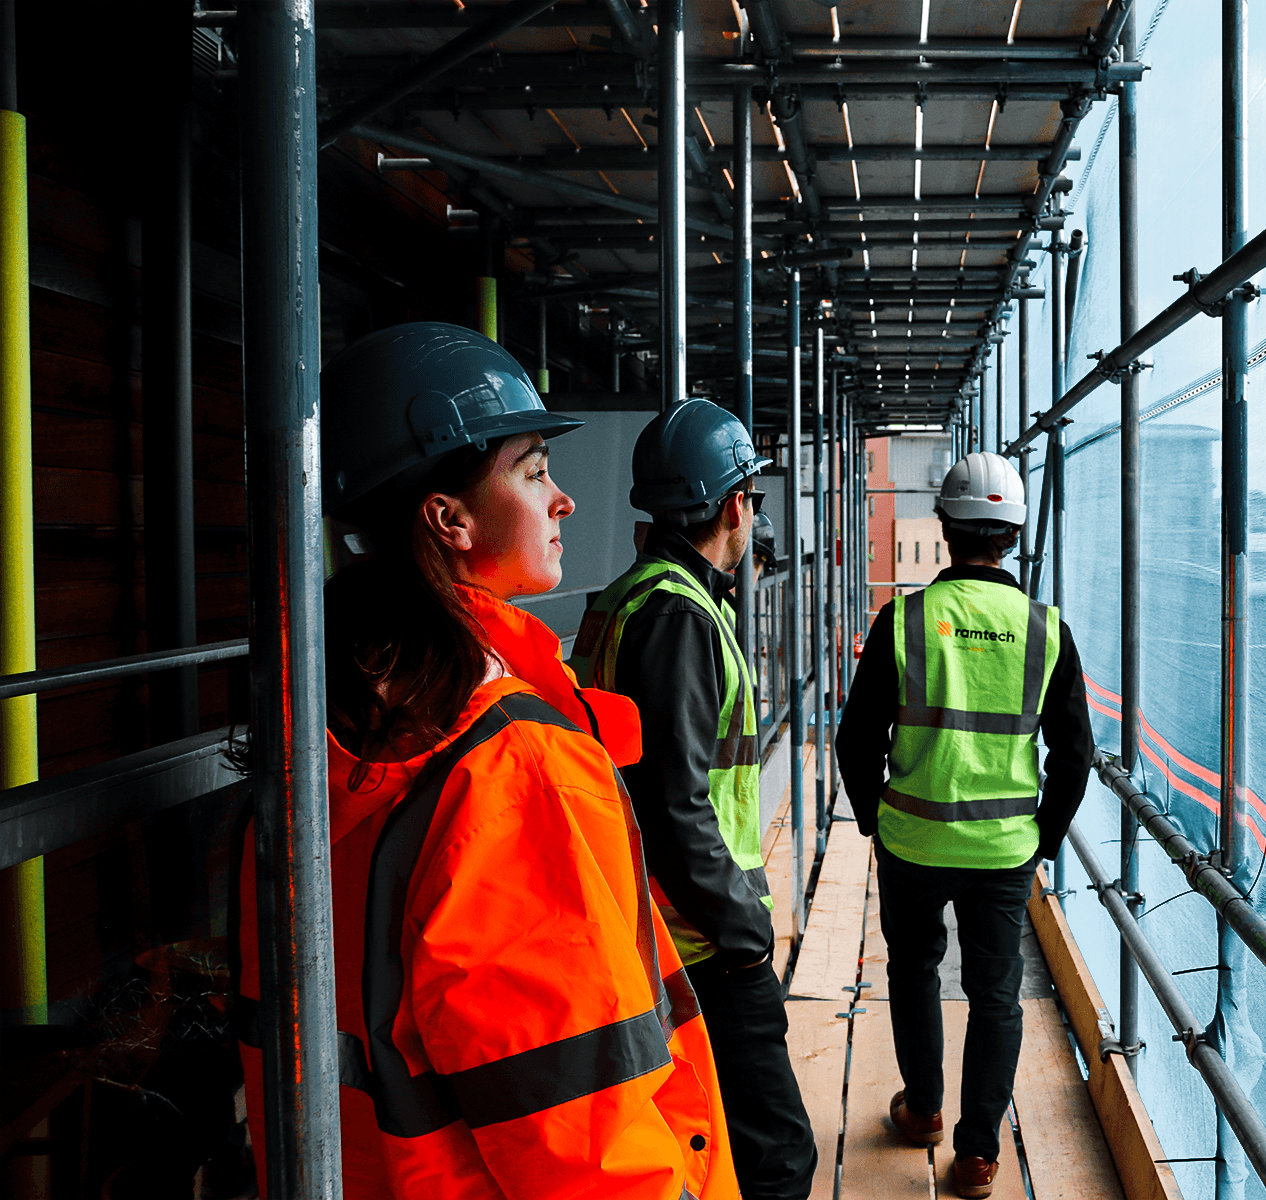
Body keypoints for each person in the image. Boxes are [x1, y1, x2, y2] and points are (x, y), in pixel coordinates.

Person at [235, 323, 733, 1200]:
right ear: (449, 518)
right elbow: (581, 1129)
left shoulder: (328, 732)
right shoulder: (511, 766)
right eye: (534, 469)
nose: (564, 500)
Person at [569, 399, 817, 1200]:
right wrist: (743, 927)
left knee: (702, 1148)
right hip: (700, 940)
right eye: (752, 497)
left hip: (652, 922)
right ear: (735, 503)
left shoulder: (629, 597)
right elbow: (675, 802)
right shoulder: (679, 613)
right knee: (777, 1158)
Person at [836, 451, 1094, 1200]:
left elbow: (858, 738)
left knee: (913, 972)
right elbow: (1074, 753)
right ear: (1013, 535)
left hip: (913, 840)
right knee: (995, 996)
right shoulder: (1047, 630)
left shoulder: (905, 620)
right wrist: (1043, 838)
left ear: (945, 529)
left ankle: (922, 1112)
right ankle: (979, 1157)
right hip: (1005, 849)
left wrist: (872, 817)